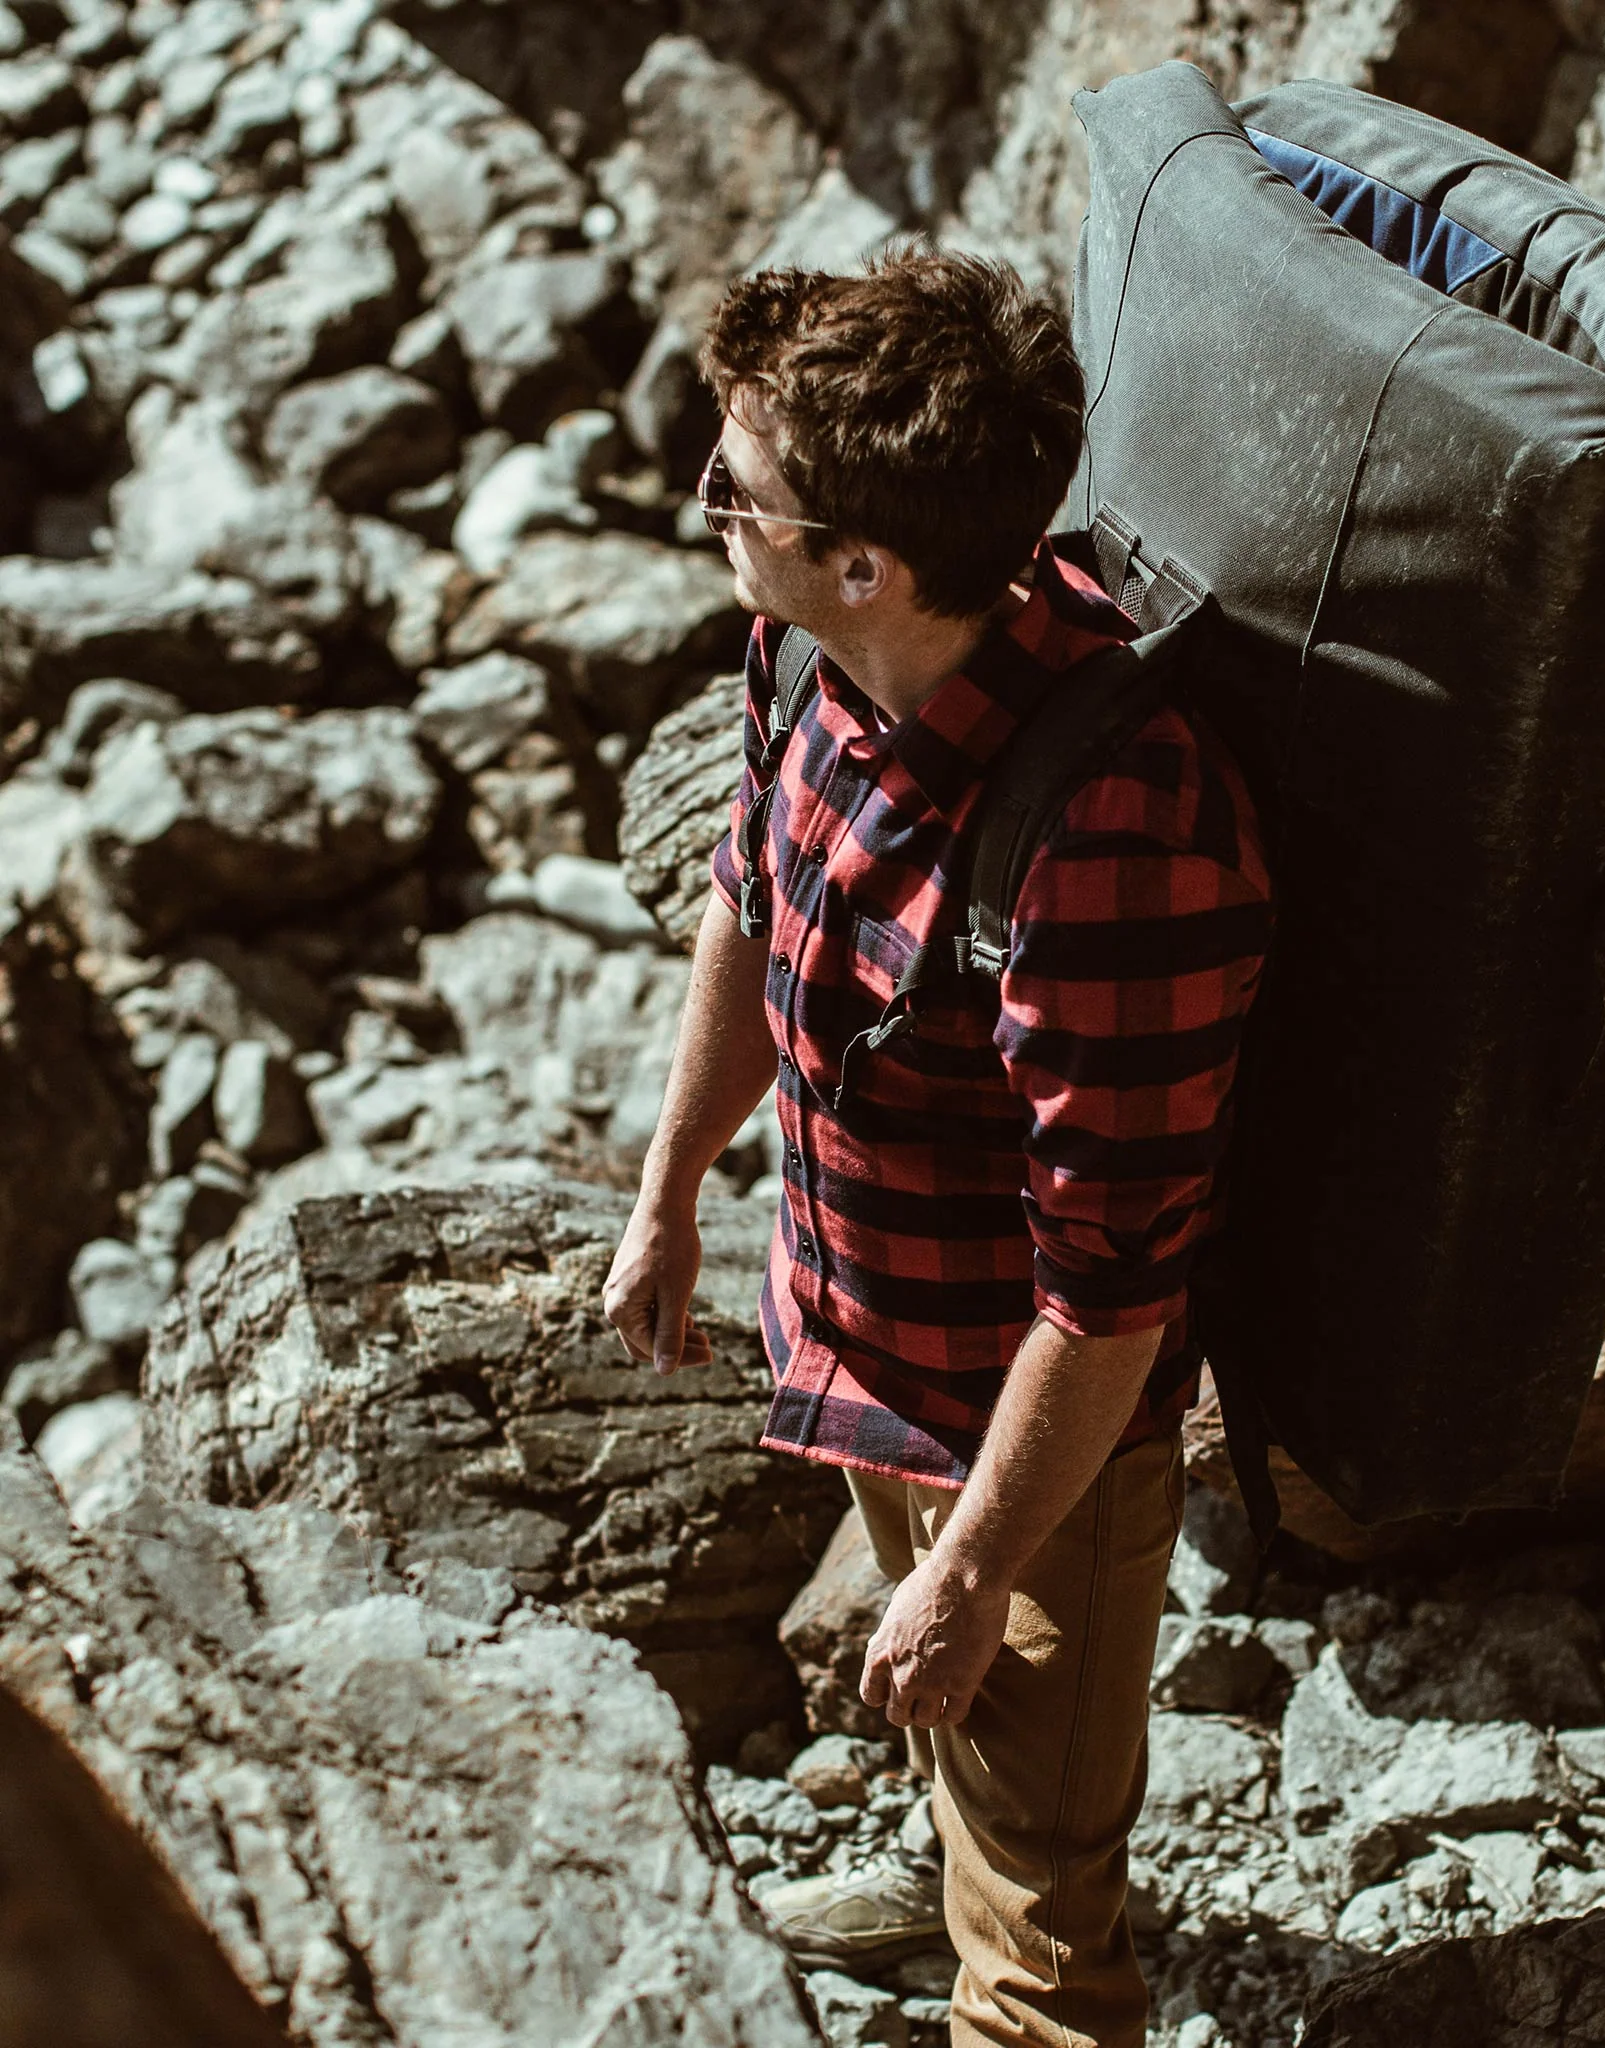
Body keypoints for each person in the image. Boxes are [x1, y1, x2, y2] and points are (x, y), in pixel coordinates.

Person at [602, 247, 1271, 2048]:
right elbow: (752, 896)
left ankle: (1014, 1905)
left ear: (868, 561)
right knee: (962, 1731)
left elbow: (1112, 1292)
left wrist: (978, 1567)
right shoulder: (808, 656)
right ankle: (965, 1848)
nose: (706, 511)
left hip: (1029, 1435)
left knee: (1048, 1957)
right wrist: (670, 1190)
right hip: (865, 1337)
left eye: (735, 489)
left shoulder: (1113, 836)